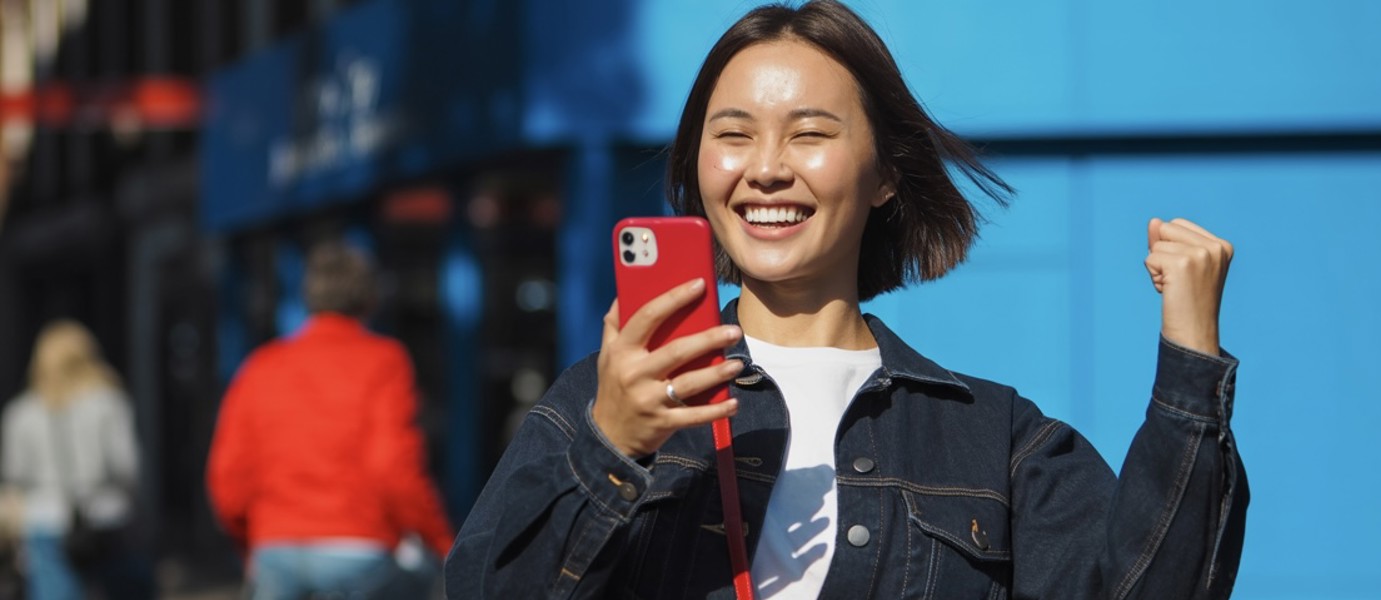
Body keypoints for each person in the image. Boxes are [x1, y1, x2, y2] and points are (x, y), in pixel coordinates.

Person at [444, 1, 1247, 598]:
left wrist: (1190, 364)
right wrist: (611, 448)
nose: (765, 168)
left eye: (810, 133)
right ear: (698, 169)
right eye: (733, 134)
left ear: (886, 175)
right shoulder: (602, 401)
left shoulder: (992, 440)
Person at [206, 240, 455, 599]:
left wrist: (251, 545)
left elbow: (228, 478)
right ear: (369, 298)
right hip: (359, 545)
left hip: (276, 548)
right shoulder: (383, 361)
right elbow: (393, 468)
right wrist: (442, 540)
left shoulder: (262, 366)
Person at [2, 320, 143, 600]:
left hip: (44, 521)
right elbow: (128, 467)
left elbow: (15, 476)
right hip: (105, 520)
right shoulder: (109, 403)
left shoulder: (21, 413)